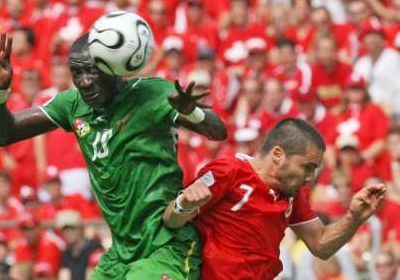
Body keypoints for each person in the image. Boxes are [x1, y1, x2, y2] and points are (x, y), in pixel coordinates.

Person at [0, 30, 227, 279]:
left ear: (114, 67)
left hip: (165, 244)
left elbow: (217, 131)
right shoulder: (72, 104)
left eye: (92, 71)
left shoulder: (152, 93)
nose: (84, 81)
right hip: (120, 255)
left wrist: (192, 112)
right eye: (77, 73)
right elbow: (2, 134)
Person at [163, 118, 386, 280]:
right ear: (278, 154)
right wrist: (184, 204)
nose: (310, 178)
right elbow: (171, 220)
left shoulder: (291, 193)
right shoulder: (228, 172)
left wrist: (354, 218)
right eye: (307, 167)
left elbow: (321, 244)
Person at [56, 210, 103, 280]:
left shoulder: (94, 246)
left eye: (71, 228)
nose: (67, 233)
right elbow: (65, 275)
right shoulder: (66, 252)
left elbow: (94, 276)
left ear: (80, 228)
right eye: (64, 230)